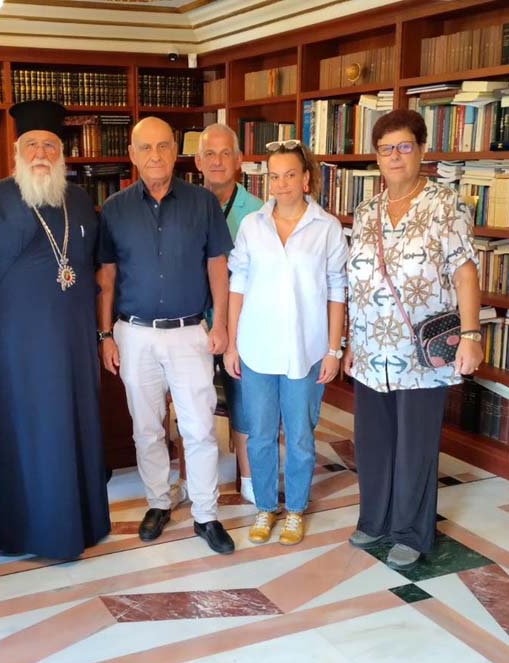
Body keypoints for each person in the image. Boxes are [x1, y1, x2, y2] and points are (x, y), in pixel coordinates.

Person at [0, 99, 111, 558]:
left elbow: (91, 265)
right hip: (14, 343)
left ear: (62, 153)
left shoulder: (80, 201)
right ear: (17, 152)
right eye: (32, 145)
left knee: (71, 421)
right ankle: (24, 527)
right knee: (25, 428)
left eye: (50, 145)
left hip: (72, 339)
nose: (41, 153)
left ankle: (80, 519)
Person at [343, 109, 481, 570]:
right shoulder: (366, 211)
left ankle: (410, 531)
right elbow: (356, 280)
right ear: (377, 157)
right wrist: (350, 342)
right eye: (386, 149)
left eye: (404, 146)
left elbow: (465, 272)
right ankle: (375, 519)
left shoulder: (446, 205)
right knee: (373, 439)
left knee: (415, 444)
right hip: (370, 346)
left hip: (422, 350)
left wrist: (471, 334)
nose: (395, 156)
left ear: (422, 150)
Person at [98, 117, 236, 555]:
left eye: (163, 146)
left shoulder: (202, 203)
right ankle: (159, 502)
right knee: (146, 428)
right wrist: (105, 334)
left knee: (199, 427)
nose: (155, 156)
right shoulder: (115, 208)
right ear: (132, 154)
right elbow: (107, 276)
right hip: (134, 334)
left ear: (176, 152)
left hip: (189, 332)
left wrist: (221, 323)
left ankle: (206, 514)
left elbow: (218, 266)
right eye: (145, 148)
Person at [224, 139, 347, 546]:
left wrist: (333, 349)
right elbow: (237, 285)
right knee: (259, 435)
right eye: (274, 176)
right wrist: (232, 344)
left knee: (299, 436)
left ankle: (294, 509)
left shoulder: (327, 228)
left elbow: (337, 290)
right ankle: (265, 506)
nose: (281, 184)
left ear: (306, 178)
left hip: (306, 350)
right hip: (256, 348)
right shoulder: (252, 225)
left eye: (290, 175)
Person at [195, 123, 265, 505]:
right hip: (194, 322)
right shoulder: (186, 205)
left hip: (243, 325)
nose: (218, 161)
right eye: (210, 154)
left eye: (226, 154)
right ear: (198, 161)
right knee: (194, 404)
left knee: (244, 402)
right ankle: (196, 480)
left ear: (239, 160)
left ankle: (249, 478)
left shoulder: (259, 212)